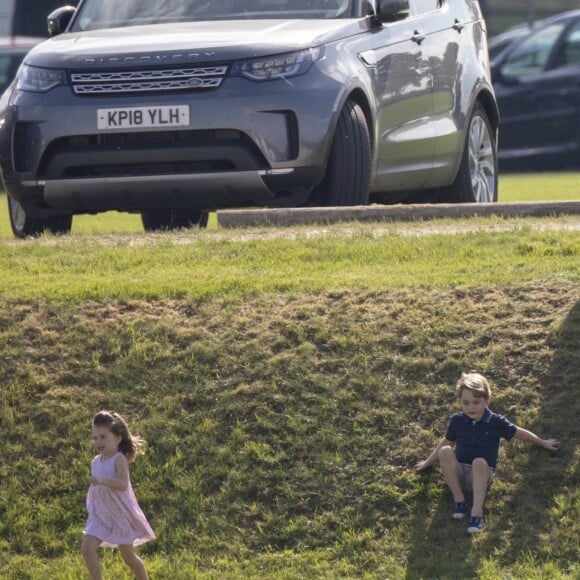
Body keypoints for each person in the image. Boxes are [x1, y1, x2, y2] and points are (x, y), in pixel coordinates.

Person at [415, 372, 559, 533]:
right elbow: (446, 441)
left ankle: (476, 513)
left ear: (487, 400)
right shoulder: (457, 420)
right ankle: (459, 499)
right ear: (460, 402)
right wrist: (428, 463)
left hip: (482, 475)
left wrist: (542, 442)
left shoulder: (496, 422)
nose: (470, 407)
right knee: (445, 451)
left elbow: (519, 433)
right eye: (466, 403)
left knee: (479, 462)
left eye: (476, 402)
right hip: (460, 473)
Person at [81, 411, 156, 580]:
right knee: (86, 549)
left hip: (119, 515)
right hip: (100, 516)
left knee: (128, 557)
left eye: (103, 436)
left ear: (117, 438)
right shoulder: (95, 461)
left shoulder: (118, 459)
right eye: (95, 437)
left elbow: (122, 484)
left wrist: (100, 480)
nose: (98, 442)